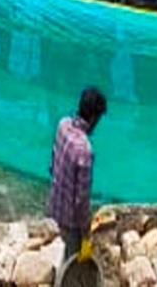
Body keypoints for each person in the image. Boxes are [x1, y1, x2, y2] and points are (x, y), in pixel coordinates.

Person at [49, 88, 105, 278]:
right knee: (72, 263)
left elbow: (52, 162)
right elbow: (81, 201)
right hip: (70, 219)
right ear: (94, 118)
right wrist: (86, 232)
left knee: (66, 252)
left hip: (55, 205)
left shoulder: (62, 125)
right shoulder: (85, 151)